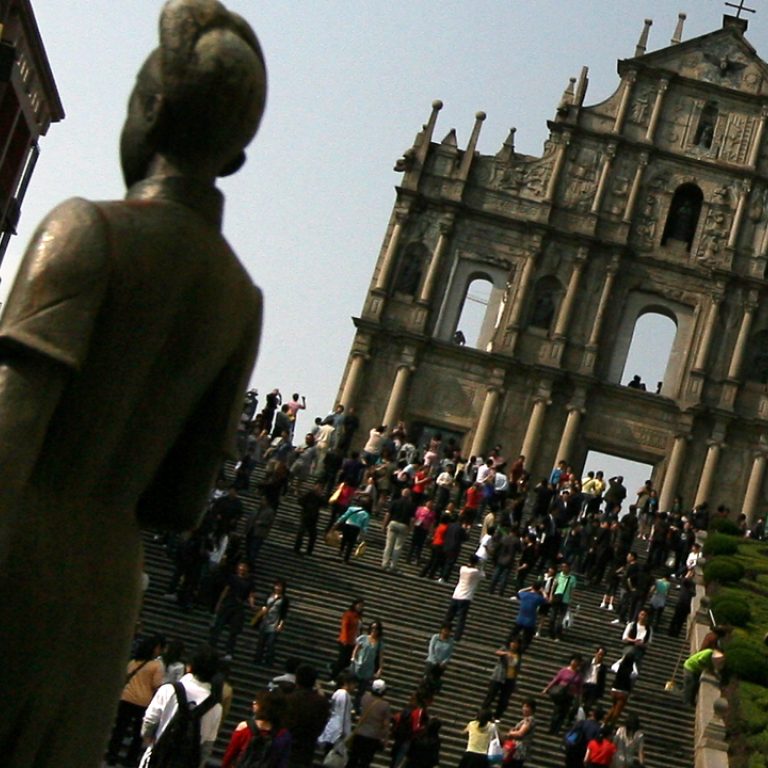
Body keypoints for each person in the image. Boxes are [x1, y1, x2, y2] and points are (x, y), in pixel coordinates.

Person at [0, 4, 267, 765]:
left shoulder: (84, 228)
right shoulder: (239, 299)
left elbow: (8, 433)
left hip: (18, 563)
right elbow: (180, 502)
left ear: (148, 113)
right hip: (106, 598)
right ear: (233, 160)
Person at [139, 644, 223, 768]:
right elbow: (206, 746)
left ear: (190, 667)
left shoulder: (168, 690)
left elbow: (149, 722)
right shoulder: (216, 707)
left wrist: (151, 741)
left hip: (158, 759)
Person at [105, 635, 166, 766]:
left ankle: (112, 754)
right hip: (144, 701)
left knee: (120, 729)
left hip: (126, 698)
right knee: (138, 733)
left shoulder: (133, 662)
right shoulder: (157, 666)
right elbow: (156, 684)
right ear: (155, 649)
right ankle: (130, 759)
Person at [221, 690, 291, 768]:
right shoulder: (283, 735)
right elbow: (282, 763)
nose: (254, 702)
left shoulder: (245, 727)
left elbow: (230, 754)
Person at [283, 664, 331, 768]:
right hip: (308, 745)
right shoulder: (321, 702)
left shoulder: (288, 699)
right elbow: (321, 724)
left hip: (286, 744)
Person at [210, 561, 257, 660]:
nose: (242, 569)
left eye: (244, 567)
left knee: (234, 631)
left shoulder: (250, 581)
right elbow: (226, 590)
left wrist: (252, 604)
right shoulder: (232, 578)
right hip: (228, 603)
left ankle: (229, 651)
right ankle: (211, 646)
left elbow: (251, 594)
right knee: (218, 626)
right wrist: (219, 603)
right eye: (240, 567)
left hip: (239, 606)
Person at [346, 678, 392, 768]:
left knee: (353, 759)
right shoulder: (385, 705)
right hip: (373, 737)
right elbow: (386, 724)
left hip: (360, 733)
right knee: (365, 762)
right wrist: (386, 738)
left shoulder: (364, 697)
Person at [444, 554, 485, 641]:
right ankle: (457, 636)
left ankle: (443, 630)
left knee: (449, 616)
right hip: (466, 597)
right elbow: (483, 575)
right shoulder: (475, 572)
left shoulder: (462, 569)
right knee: (461, 618)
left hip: (456, 594)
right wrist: (480, 566)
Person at [542, 653, 583, 735]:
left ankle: (557, 729)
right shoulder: (564, 670)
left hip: (569, 695)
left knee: (563, 712)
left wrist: (579, 697)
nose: (575, 663)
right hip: (560, 694)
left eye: (577, 662)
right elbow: (556, 680)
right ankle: (552, 728)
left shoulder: (579, 674)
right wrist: (547, 688)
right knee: (557, 711)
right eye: (574, 660)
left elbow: (580, 687)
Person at [318, 672, 356, 757]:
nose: (354, 686)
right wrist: (342, 731)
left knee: (328, 754)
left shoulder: (337, 693)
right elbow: (343, 713)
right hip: (339, 729)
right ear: (346, 683)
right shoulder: (344, 695)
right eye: (353, 683)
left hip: (332, 726)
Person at [254, 579, 290, 667]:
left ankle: (269, 661)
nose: (278, 588)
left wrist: (281, 624)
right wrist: (263, 609)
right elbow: (264, 604)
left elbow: (284, 613)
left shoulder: (284, 599)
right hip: (265, 621)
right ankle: (258, 658)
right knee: (261, 641)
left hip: (275, 622)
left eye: (280, 586)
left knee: (271, 643)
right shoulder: (269, 595)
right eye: (276, 586)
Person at [483, 640, 522, 720]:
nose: (514, 645)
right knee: (491, 696)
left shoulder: (518, 655)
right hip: (498, 677)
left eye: (516, 643)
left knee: (503, 700)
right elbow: (497, 652)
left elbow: (517, 668)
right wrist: (506, 654)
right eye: (513, 642)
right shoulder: (505, 649)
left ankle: (497, 717)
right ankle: (483, 713)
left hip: (509, 679)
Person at [352, 621, 385, 709]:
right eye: (372, 628)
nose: (374, 630)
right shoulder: (363, 638)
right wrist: (353, 658)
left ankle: (355, 707)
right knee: (351, 684)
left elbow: (380, 656)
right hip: (358, 665)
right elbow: (356, 649)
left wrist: (380, 668)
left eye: (376, 629)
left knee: (361, 690)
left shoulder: (379, 643)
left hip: (368, 668)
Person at [382, 490, 417, 571]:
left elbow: (388, 514)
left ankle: (385, 563)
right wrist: (410, 529)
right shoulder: (412, 505)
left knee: (389, 545)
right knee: (398, 546)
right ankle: (393, 565)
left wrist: (384, 526)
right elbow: (412, 519)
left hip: (393, 522)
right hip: (404, 525)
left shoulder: (395, 502)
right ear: (409, 496)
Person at [508, 581, 548, 652]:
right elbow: (547, 600)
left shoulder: (525, 594)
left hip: (520, 618)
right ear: (539, 589)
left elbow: (519, 591)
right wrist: (543, 591)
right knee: (527, 638)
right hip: (530, 621)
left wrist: (529, 588)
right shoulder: (538, 598)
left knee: (514, 633)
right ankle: (522, 649)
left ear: (532, 587)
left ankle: (508, 645)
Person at [332, 598, 365, 681]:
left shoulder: (359, 617)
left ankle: (334, 670)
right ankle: (333, 677)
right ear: (354, 605)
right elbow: (344, 627)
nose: (360, 607)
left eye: (362, 606)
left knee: (347, 662)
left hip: (354, 642)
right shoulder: (348, 614)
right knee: (342, 660)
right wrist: (345, 639)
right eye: (359, 605)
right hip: (346, 641)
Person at [603, 651, 637, 728]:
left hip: (614, 689)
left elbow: (613, 666)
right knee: (617, 710)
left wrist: (621, 659)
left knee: (613, 707)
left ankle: (604, 723)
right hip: (623, 691)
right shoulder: (630, 671)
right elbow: (636, 674)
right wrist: (633, 663)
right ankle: (611, 725)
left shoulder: (619, 667)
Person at [336, 497, 372, 564]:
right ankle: (346, 559)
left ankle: (341, 550)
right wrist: (364, 535)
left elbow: (344, 516)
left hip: (348, 525)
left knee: (344, 538)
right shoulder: (366, 514)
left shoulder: (352, 508)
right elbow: (364, 526)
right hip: (356, 528)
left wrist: (338, 522)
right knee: (351, 544)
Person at [502, 698, 536, 768]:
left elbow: (520, 733)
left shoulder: (529, 720)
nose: (524, 709)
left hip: (518, 750)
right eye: (524, 706)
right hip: (516, 749)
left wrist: (511, 733)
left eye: (527, 707)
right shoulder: (526, 720)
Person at [294, 481, 325, 556]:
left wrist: (321, 497)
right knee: (301, 532)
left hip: (313, 518)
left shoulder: (319, 497)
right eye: (318, 486)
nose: (318, 488)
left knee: (313, 535)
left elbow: (324, 505)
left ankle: (309, 551)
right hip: (305, 515)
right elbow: (300, 501)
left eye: (320, 487)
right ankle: (296, 549)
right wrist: (307, 506)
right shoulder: (309, 494)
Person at [424, 623, 454, 690]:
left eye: (448, 631)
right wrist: (434, 661)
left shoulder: (450, 641)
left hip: (441, 665)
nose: (446, 632)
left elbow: (449, 654)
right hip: (431, 661)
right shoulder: (435, 637)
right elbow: (431, 649)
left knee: (435, 682)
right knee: (426, 679)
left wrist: (444, 662)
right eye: (445, 630)